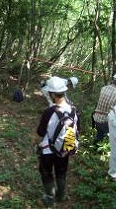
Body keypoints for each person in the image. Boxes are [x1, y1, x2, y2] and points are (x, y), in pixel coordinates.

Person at [37, 76, 80, 207]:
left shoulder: (49, 111)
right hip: (65, 148)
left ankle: (49, 198)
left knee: (46, 173)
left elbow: (39, 133)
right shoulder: (73, 110)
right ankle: (61, 195)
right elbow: (78, 129)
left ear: (51, 94)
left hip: (48, 149)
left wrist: (37, 144)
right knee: (61, 172)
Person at [92, 71, 116, 148]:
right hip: (105, 121)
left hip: (96, 118)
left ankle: (95, 148)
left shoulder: (103, 88)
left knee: (100, 134)